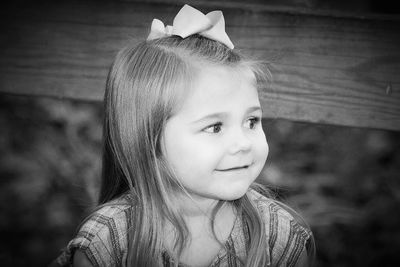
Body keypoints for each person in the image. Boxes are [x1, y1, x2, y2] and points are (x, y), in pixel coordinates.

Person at [51, 4, 315, 267]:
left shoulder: (278, 237)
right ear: (150, 139)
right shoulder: (108, 242)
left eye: (251, 121)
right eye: (215, 127)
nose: (243, 143)